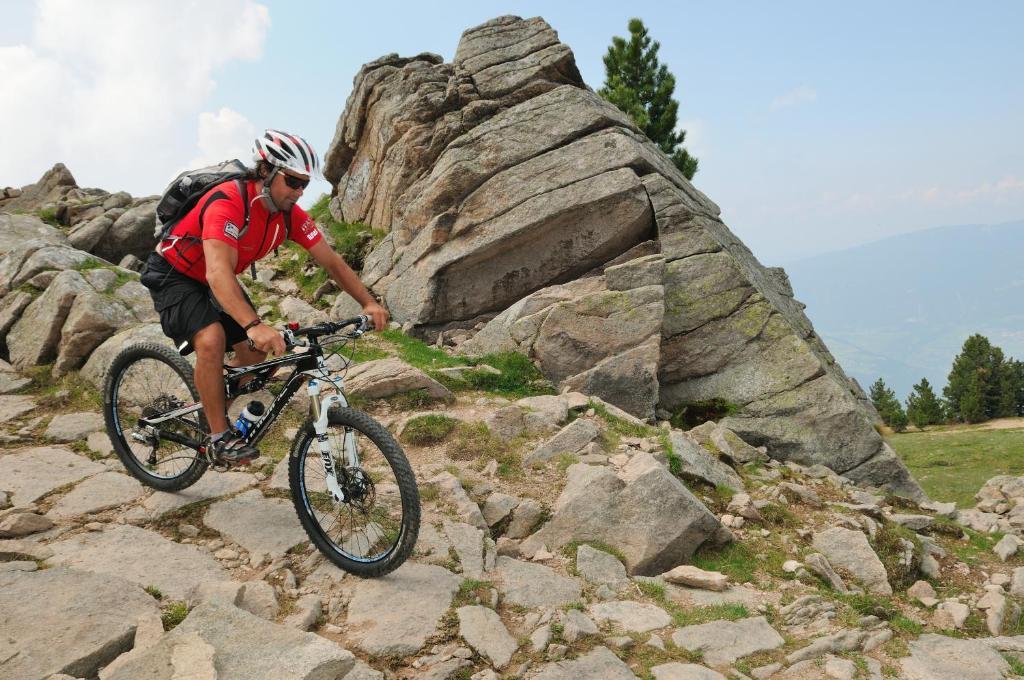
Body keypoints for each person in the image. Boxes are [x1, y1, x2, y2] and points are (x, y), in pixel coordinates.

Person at [140, 129, 388, 464]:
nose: (299, 192)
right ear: (265, 171)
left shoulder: (288, 215)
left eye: (304, 184)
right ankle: (218, 436)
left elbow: (331, 261)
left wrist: (368, 303)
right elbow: (216, 274)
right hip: (175, 272)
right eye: (292, 181)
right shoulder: (227, 202)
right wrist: (254, 324)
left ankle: (206, 408)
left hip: (216, 278)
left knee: (257, 357)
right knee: (211, 339)